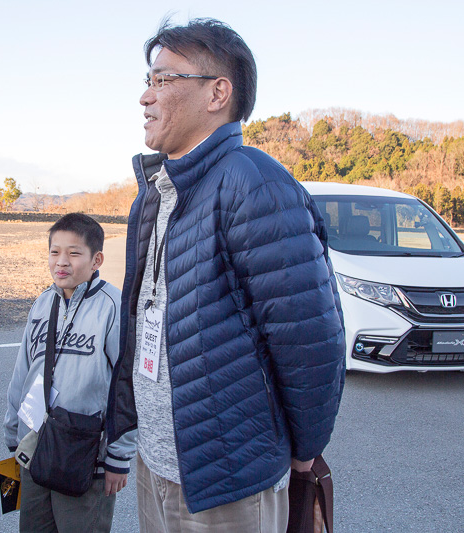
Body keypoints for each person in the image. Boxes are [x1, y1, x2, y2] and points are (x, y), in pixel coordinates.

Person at [106, 18, 346, 532]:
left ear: (217, 93)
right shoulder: (153, 195)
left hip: (229, 480)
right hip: (158, 462)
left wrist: (306, 452)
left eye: (163, 80)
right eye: (147, 81)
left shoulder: (252, 182)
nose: (146, 97)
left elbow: (310, 339)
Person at [5, 213, 137, 533]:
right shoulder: (42, 303)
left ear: (96, 260)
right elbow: (22, 371)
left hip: (84, 452)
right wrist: (13, 435)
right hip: (33, 446)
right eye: (54, 252)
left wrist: (118, 457)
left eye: (74, 253)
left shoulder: (112, 307)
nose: (61, 262)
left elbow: (128, 385)